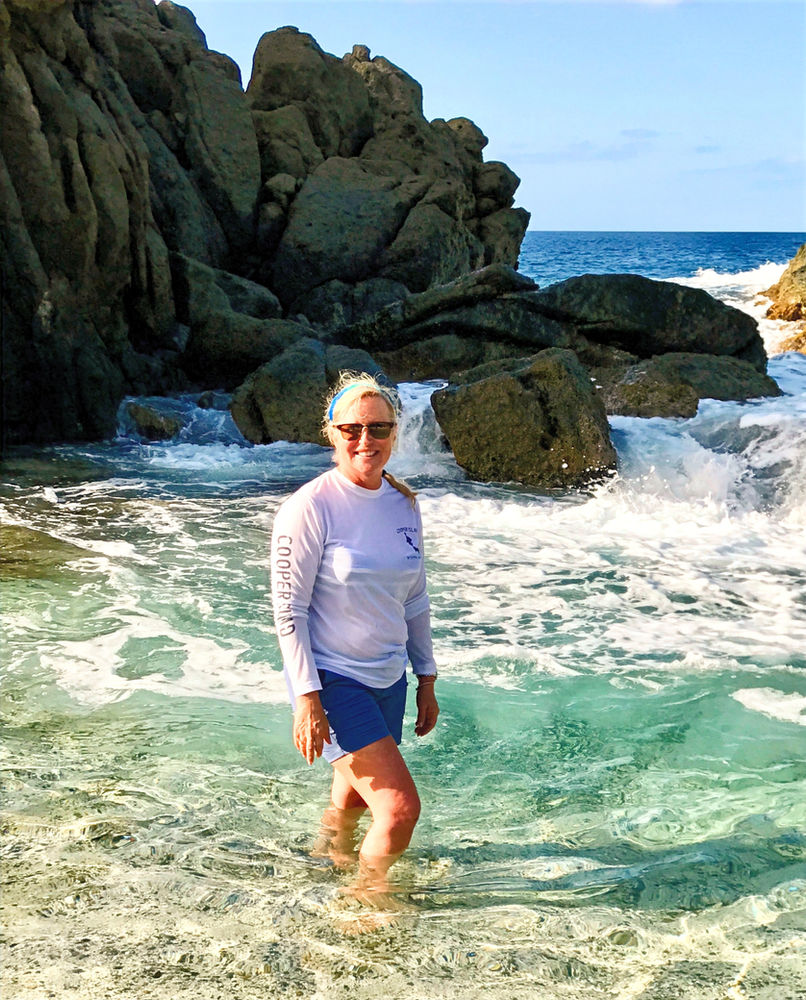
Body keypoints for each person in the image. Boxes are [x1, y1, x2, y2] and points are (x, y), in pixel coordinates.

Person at [270, 372, 439, 885]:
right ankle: (365, 905)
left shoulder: (403, 503)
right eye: (352, 429)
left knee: (351, 798)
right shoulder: (309, 507)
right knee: (399, 808)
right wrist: (307, 698)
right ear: (332, 433)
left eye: (380, 429)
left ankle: (325, 859)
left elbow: (415, 597)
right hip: (334, 679)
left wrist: (426, 678)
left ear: (395, 433)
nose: (366, 440)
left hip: (388, 678)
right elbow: (288, 611)